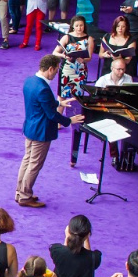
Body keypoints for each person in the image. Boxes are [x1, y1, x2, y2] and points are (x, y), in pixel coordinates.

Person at [15, 55, 83, 208]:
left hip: (30, 128)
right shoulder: (43, 88)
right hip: (41, 132)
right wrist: (69, 121)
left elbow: (41, 101)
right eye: (57, 70)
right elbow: (51, 114)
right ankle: (25, 196)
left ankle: (20, 192)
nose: (56, 73)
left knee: (27, 161)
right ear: (51, 68)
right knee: (34, 164)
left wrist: (59, 102)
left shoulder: (30, 80)